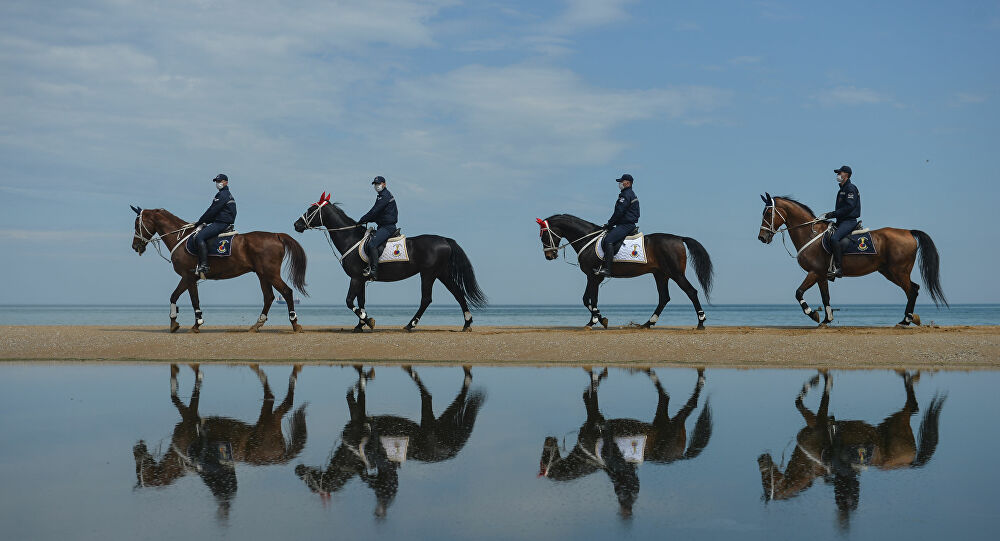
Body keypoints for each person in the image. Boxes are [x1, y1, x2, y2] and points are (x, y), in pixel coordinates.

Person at [820, 165, 861, 279]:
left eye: (840, 173)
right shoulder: (842, 189)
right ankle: (829, 265)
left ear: (846, 175)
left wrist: (833, 214)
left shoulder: (850, 188)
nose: (838, 175)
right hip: (841, 221)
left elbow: (849, 207)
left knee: (834, 239)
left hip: (849, 221)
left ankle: (838, 268)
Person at [595, 173, 639, 277]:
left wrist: (609, 224)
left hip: (626, 225)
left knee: (608, 240)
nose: (620, 184)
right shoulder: (629, 194)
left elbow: (619, 212)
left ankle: (607, 269)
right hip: (626, 224)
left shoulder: (626, 195)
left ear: (628, 183)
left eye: (622, 181)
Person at [193, 173, 236, 275]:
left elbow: (212, 211)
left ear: (226, 182)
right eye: (217, 181)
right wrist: (206, 222)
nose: (218, 183)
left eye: (220, 181)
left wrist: (200, 222)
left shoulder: (222, 195)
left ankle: (204, 265)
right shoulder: (227, 194)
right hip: (223, 221)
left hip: (221, 223)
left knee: (199, 237)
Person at [358, 176, 398, 280]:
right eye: (375, 184)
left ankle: (374, 271)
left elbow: (374, 211)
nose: (376, 186)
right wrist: (368, 219)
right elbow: (377, 214)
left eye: (378, 184)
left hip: (388, 227)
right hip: (383, 226)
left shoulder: (384, 196)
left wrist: (362, 220)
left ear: (384, 184)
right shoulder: (381, 196)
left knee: (372, 244)